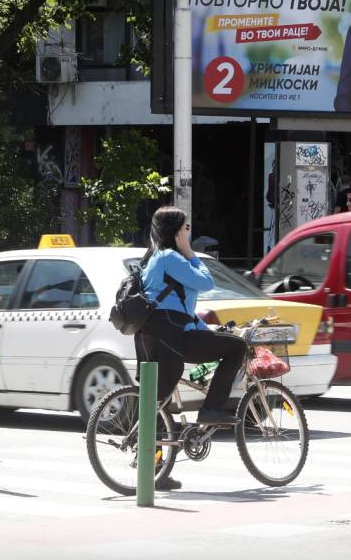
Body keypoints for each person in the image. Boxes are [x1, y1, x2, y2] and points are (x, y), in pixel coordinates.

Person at [134, 206, 247, 491]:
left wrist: (207, 331)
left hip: (157, 334)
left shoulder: (152, 257)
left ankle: (155, 472)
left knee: (159, 402)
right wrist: (191, 253)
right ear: (175, 232)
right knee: (236, 349)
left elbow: (180, 306)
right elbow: (206, 282)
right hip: (172, 336)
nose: (189, 233)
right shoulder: (171, 257)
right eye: (185, 229)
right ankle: (211, 409)